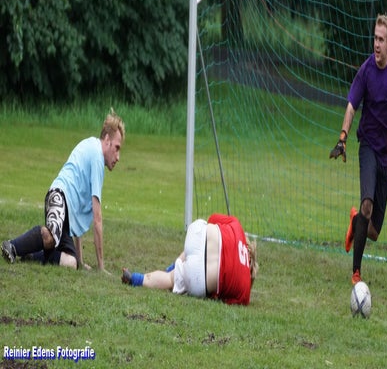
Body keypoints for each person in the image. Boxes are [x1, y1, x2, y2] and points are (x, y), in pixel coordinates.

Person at [1, 108, 125, 272]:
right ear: (107, 139)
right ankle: (12, 246)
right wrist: (101, 267)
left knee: (71, 262)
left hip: (65, 208)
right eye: (117, 148)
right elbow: (97, 218)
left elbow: (78, 213)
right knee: (52, 236)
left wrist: (80, 261)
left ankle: (31, 254)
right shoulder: (97, 156)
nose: (118, 157)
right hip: (58, 196)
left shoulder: (91, 146)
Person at [329, 14, 387, 285]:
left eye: (381, 40)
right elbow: (351, 105)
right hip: (368, 146)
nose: (376, 44)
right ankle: (356, 273)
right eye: (374, 38)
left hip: (386, 154)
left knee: (373, 231)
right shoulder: (366, 70)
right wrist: (343, 138)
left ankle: (355, 221)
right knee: (367, 204)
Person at [121, 213, 259, 305]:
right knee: (170, 279)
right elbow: (221, 299)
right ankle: (136, 279)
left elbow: (212, 218)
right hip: (199, 278)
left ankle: (174, 265)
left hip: (196, 234)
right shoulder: (244, 293)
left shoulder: (237, 226)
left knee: (203, 234)